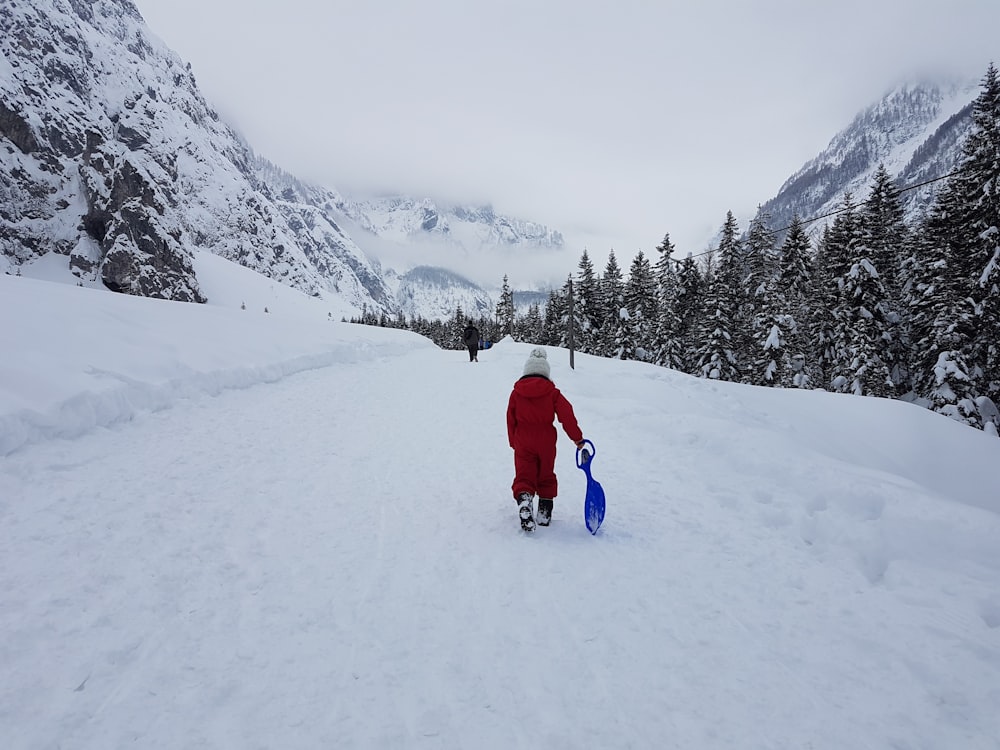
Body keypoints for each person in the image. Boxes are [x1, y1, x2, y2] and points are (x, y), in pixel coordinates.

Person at [506, 347, 585, 531]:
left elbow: (510, 418)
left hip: (523, 438)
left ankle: (525, 501)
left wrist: (514, 442)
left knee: (524, 473)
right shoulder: (552, 393)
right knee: (546, 472)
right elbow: (567, 415)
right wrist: (577, 438)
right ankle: (544, 511)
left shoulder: (516, 393)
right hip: (546, 440)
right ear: (546, 372)